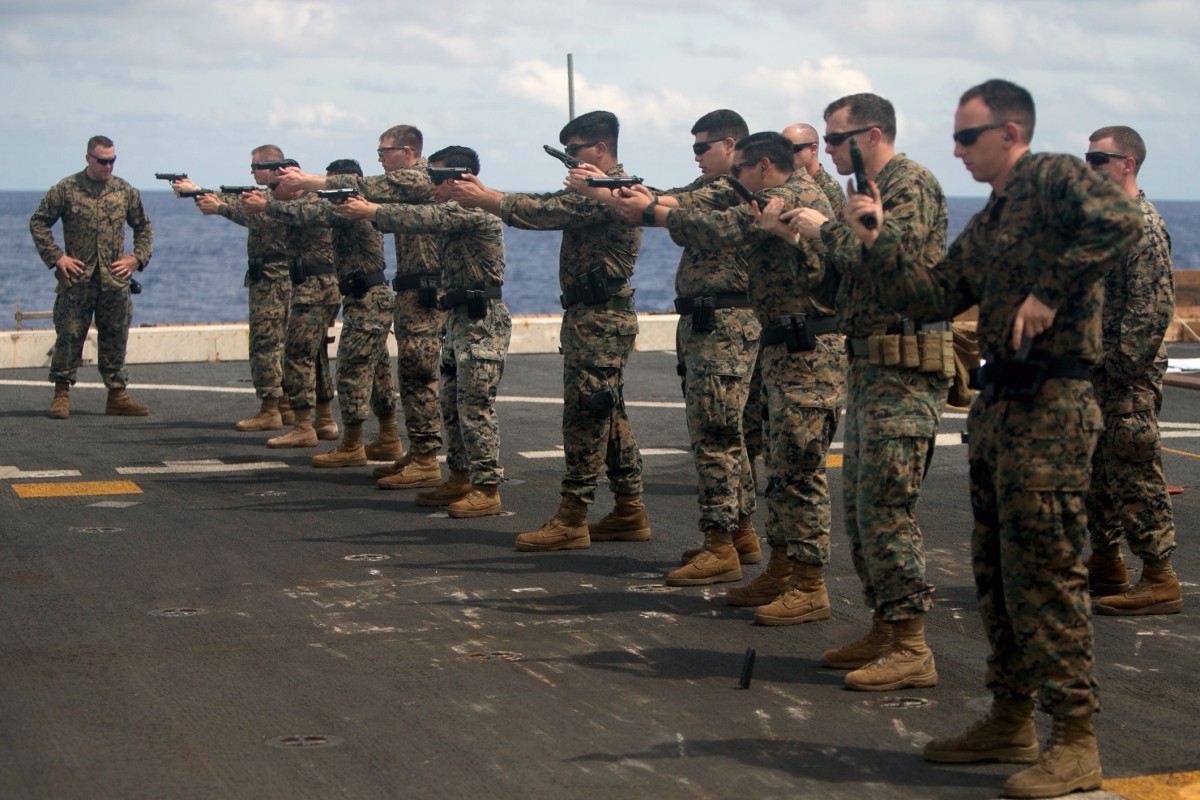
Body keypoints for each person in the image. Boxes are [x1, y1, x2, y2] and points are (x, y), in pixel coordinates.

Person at [842, 78, 1141, 800]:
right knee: (997, 577)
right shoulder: (998, 210)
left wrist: (1051, 290)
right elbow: (934, 294)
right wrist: (874, 240)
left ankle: (1075, 738)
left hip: (1054, 409)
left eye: (967, 136)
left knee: (1048, 574)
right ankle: (1010, 718)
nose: (956, 149)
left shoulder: (1054, 176)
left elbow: (1121, 222)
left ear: (1010, 134)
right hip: (1002, 409)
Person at [775, 94, 950, 691]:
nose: (824, 149)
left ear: (870, 134)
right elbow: (842, 280)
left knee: (887, 508)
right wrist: (803, 240)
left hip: (904, 369)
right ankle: (886, 625)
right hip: (871, 366)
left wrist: (825, 229)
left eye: (833, 138)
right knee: (860, 508)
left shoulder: (910, 185)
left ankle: (912, 646)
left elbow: (886, 257)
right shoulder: (864, 191)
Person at [623, 132, 844, 604]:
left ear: (763, 166)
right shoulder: (779, 197)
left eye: (739, 170)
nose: (733, 179)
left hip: (808, 351)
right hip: (784, 346)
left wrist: (650, 213)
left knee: (800, 472)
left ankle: (809, 585)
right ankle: (783, 569)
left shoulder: (790, 199)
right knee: (783, 470)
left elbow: (718, 229)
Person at [571, 109, 762, 585]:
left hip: (723, 323)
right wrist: (612, 186)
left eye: (703, 147)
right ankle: (738, 532)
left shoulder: (729, 189)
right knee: (725, 433)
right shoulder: (714, 187)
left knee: (715, 435)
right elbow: (664, 198)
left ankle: (721, 546)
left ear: (731, 145)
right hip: (712, 321)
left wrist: (605, 188)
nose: (696, 155)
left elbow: (665, 203)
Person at [450, 110, 650, 551]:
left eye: (575, 152)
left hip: (599, 320)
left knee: (583, 417)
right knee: (607, 414)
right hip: (591, 317)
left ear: (600, 150)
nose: (571, 163)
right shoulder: (602, 190)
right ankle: (629, 508)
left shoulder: (608, 191)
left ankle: (573, 517)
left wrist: (488, 198)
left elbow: (545, 211)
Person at [339, 146, 510, 518]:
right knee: (450, 404)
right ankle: (461, 477)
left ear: (457, 179)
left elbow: (423, 217)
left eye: (433, 178)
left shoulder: (471, 211)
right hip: (458, 319)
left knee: (475, 406)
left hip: (481, 321)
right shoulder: (453, 211)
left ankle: (487, 488)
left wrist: (370, 210)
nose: (428, 184)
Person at [276, 125, 444, 488]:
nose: (380, 159)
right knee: (392, 374)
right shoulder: (399, 189)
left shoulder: (418, 179)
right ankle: (398, 443)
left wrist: (299, 187)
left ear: (409, 151)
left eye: (385, 152)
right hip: (394, 296)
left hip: (391, 297)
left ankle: (357, 445)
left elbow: (320, 211)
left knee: (363, 369)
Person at [1083, 126, 1182, 616]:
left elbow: (1153, 308)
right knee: (1097, 474)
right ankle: (1106, 563)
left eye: (1098, 159)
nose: (1089, 168)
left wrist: (1118, 368)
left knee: (1135, 471)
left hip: (1126, 375)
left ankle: (1160, 578)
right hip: (1097, 372)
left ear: (1127, 164)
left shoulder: (1141, 225)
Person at [258, 159, 398, 467]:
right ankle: (388, 437)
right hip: (364, 295)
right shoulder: (351, 208)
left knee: (349, 371)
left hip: (365, 297)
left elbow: (307, 212)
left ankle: (351, 444)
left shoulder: (349, 208)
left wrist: (265, 204)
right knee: (376, 369)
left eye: (334, 187)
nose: (329, 193)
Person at [30, 135, 153, 419]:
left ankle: (117, 395)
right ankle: (61, 394)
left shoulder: (125, 191)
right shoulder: (66, 189)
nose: (108, 166)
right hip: (77, 279)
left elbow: (144, 227)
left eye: (112, 160)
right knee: (70, 335)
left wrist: (137, 258)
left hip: (114, 279)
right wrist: (56, 257)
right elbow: (38, 222)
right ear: (88, 159)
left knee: (115, 336)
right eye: (102, 161)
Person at [177, 145, 296, 431]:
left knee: (265, 344)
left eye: (256, 167)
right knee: (282, 344)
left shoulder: (278, 197)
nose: (252, 172)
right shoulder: (282, 193)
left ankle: (270, 408)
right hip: (278, 277)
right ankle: (286, 405)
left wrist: (218, 209)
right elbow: (236, 199)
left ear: (272, 167)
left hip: (272, 278)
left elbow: (253, 213)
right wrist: (196, 191)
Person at [241, 165, 341, 448]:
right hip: (312, 286)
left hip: (315, 288)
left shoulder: (309, 205)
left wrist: (263, 205)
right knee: (315, 354)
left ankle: (304, 425)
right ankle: (322, 421)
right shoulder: (299, 204)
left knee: (297, 356)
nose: (271, 193)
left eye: (275, 186)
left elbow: (286, 215)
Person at [782, 122, 845, 218]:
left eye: (791, 149)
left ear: (813, 149)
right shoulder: (788, 182)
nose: (785, 155)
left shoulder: (829, 189)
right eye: (781, 149)